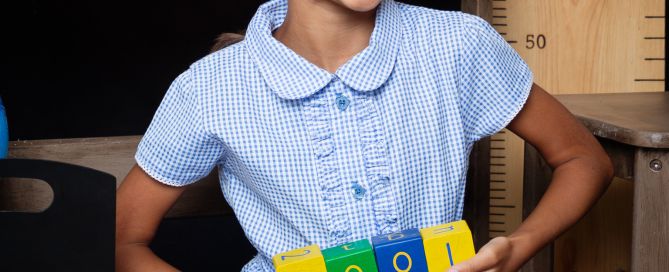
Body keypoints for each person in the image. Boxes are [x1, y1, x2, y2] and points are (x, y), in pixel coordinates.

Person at [115, 0, 614, 271]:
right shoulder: (211, 87)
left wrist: (516, 248)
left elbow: (584, 159)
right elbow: (122, 239)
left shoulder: (457, 45)